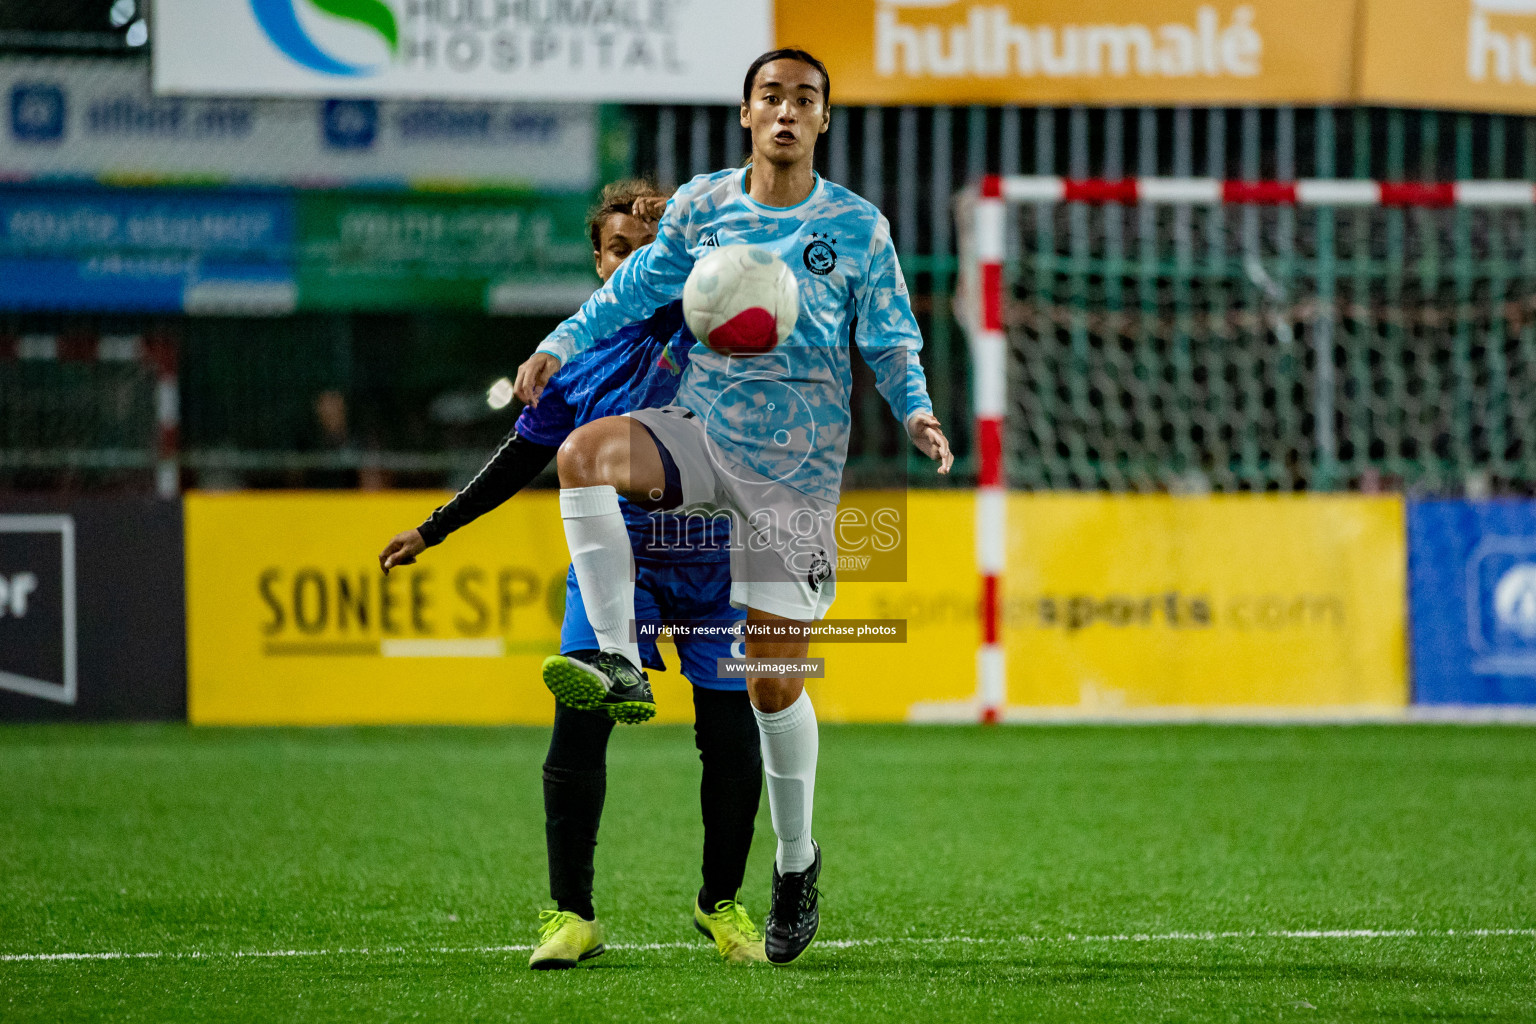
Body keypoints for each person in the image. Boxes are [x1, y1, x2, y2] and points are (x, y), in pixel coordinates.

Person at [512, 49, 954, 965]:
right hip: (701, 440)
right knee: (582, 454)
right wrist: (560, 340)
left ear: (823, 121)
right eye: (771, 97)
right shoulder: (704, 208)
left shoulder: (858, 229)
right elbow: (633, 288)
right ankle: (617, 660)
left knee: (770, 681)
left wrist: (914, 405)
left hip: (794, 478)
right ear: (747, 114)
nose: (787, 112)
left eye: (805, 100)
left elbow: (891, 333)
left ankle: (796, 863)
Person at [378, 180, 769, 969]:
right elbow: (519, 461)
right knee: (579, 722)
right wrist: (433, 528)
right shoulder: (575, 359)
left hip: (715, 562)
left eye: (650, 250)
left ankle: (720, 903)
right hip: (616, 562)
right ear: (598, 260)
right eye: (620, 250)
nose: (635, 265)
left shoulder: (706, 322)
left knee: (731, 738)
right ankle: (572, 916)